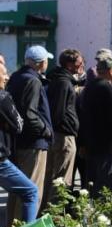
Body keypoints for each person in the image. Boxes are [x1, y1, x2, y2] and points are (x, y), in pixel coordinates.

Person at [7, 45, 54, 218]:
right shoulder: (32, 80)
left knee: (18, 190)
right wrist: (46, 130)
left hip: (18, 141)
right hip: (33, 143)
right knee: (32, 191)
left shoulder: (16, 77)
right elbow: (29, 114)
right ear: (41, 63)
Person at [78, 57, 112, 194]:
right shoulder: (108, 87)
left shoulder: (89, 87)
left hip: (93, 143)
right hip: (110, 144)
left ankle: (94, 212)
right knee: (108, 183)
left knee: (95, 182)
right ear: (111, 71)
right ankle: (105, 213)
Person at [0, 63, 39, 226]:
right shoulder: (2, 96)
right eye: (4, 73)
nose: (7, 76)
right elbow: (19, 125)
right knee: (30, 191)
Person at [45, 49, 83, 200]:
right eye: (79, 62)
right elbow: (57, 112)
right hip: (63, 136)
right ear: (69, 64)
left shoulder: (62, 80)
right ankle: (56, 215)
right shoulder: (63, 83)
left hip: (62, 134)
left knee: (56, 176)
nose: (81, 65)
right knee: (62, 178)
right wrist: (68, 126)